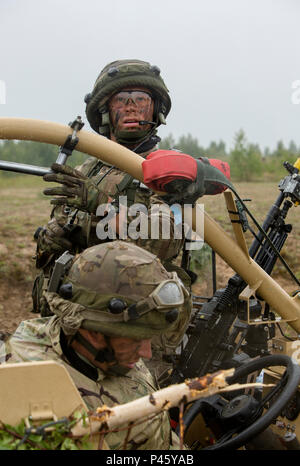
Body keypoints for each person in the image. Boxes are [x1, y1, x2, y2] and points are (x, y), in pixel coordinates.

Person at [32, 59, 230, 376]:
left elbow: (163, 243)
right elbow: (65, 235)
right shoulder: (87, 170)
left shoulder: (169, 169)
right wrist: (54, 235)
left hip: (134, 327)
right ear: (106, 112)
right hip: (78, 321)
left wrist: (101, 205)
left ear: (156, 111)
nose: (133, 108)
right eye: (122, 101)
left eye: (141, 100)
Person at [0, 241, 188, 450]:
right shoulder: (42, 402)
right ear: (93, 333)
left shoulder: (103, 349)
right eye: (136, 340)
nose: (147, 352)